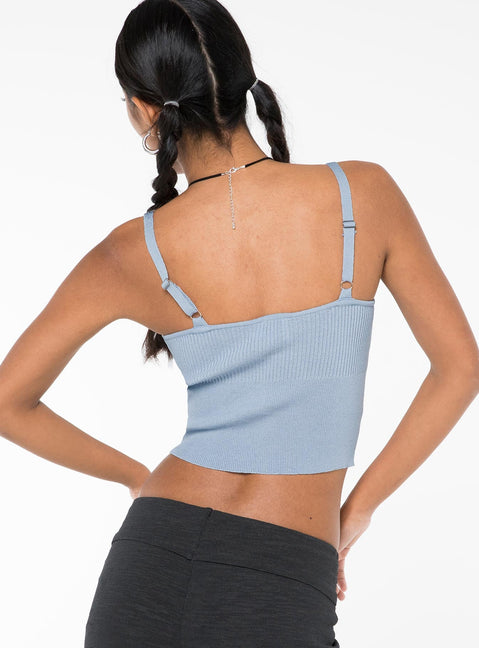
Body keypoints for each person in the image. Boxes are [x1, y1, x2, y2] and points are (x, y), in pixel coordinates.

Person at [1, 1, 478, 646]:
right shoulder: (363, 196)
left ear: (143, 111)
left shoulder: (130, 251)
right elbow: (460, 368)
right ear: (243, 79)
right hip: (286, 568)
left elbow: (8, 401)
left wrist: (136, 477)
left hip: (149, 564)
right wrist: (355, 511)